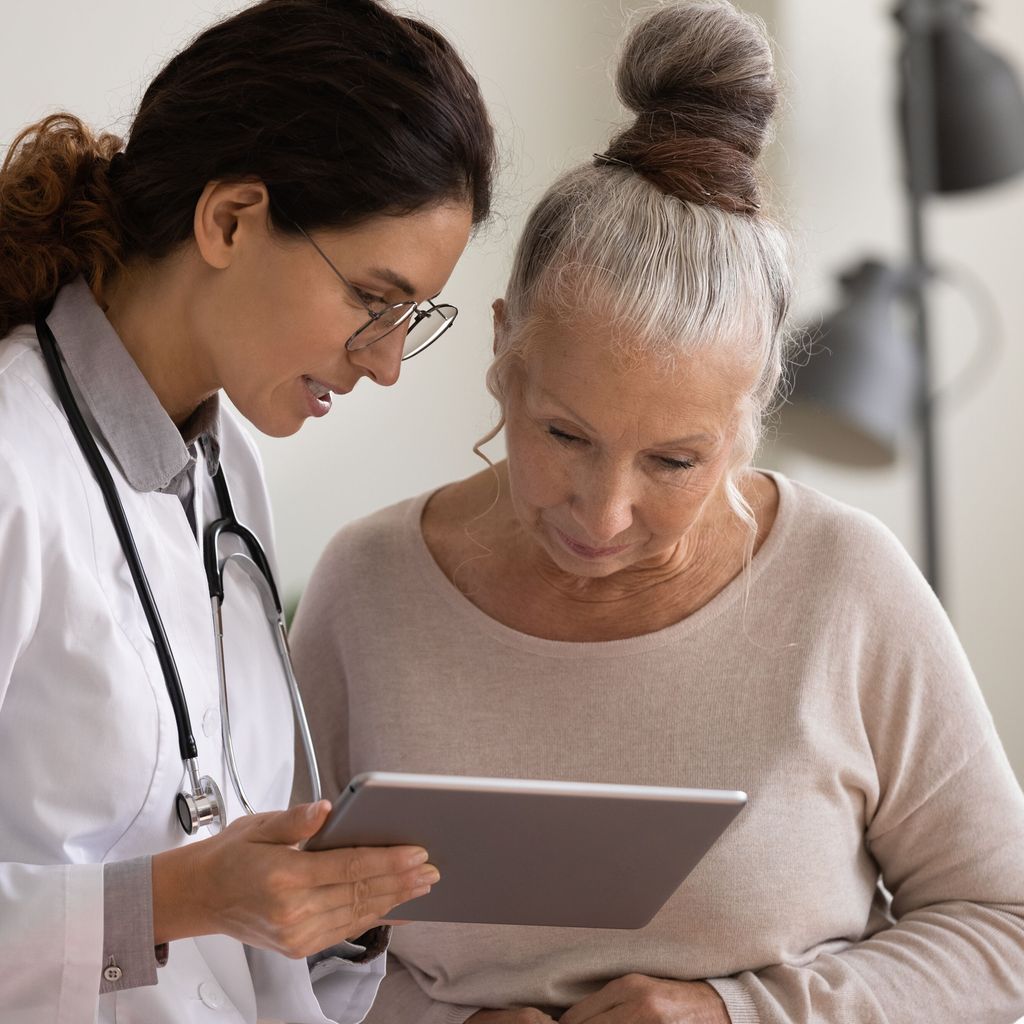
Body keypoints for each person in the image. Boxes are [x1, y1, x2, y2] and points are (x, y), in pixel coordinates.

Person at [288, 1, 1024, 1022]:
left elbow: (1005, 930)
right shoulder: (367, 587)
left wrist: (737, 1013)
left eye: (675, 459)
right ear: (502, 351)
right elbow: (281, 949)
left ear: (752, 410)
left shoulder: (845, 584)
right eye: (563, 436)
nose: (604, 511)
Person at [0, 0, 496, 1021]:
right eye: (373, 298)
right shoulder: (13, 464)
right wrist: (178, 898)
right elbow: (179, 897)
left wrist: (344, 913)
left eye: (410, 318)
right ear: (229, 218)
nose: (389, 362)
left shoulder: (224, 465)